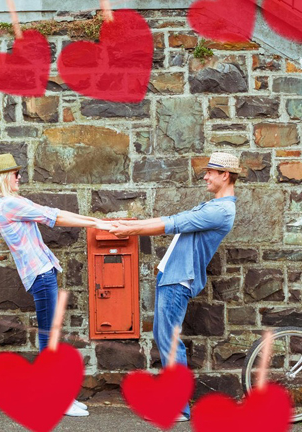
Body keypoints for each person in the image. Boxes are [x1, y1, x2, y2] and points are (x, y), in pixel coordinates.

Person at [109, 152, 239, 422]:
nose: (205, 177)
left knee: (169, 342)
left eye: (210, 172)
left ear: (225, 175)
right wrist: (131, 226)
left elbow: (172, 223)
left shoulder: (221, 210)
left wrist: (130, 230)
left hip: (179, 279)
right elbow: (173, 218)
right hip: (172, 276)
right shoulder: (213, 205)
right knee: (164, 339)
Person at [0, 153, 110, 418]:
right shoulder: (8, 204)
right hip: (41, 276)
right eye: (15, 173)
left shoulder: (11, 203)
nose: (19, 176)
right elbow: (54, 216)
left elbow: (49, 214)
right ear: (3, 177)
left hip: (42, 274)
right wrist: (95, 222)